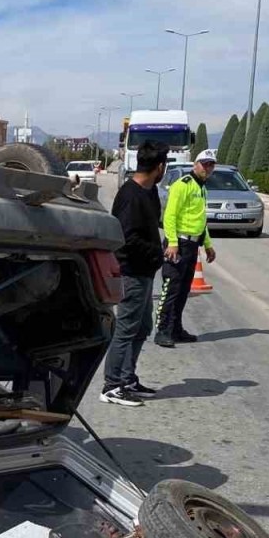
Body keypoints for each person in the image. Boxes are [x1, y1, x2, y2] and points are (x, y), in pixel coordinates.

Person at [100, 141, 169, 407]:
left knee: (143, 327)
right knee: (126, 329)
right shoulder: (130, 195)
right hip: (131, 271)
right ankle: (112, 385)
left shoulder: (149, 192)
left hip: (145, 271)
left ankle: (128, 379)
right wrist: (156, 254)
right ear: (159, 167)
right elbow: (125, 238)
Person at [156, 148, 218, 348]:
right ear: (195, 164)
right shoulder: (182, 185)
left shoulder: (202, 188)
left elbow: (201, 220)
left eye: (211, 165)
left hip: (192, 244)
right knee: (171, 289)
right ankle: (162, 330)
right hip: (179, 244)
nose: (207, 168)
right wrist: (172, 242)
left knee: (183, 290)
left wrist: (208, 245)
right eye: (204, 164)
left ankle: (176, 329)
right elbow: (170, 215)